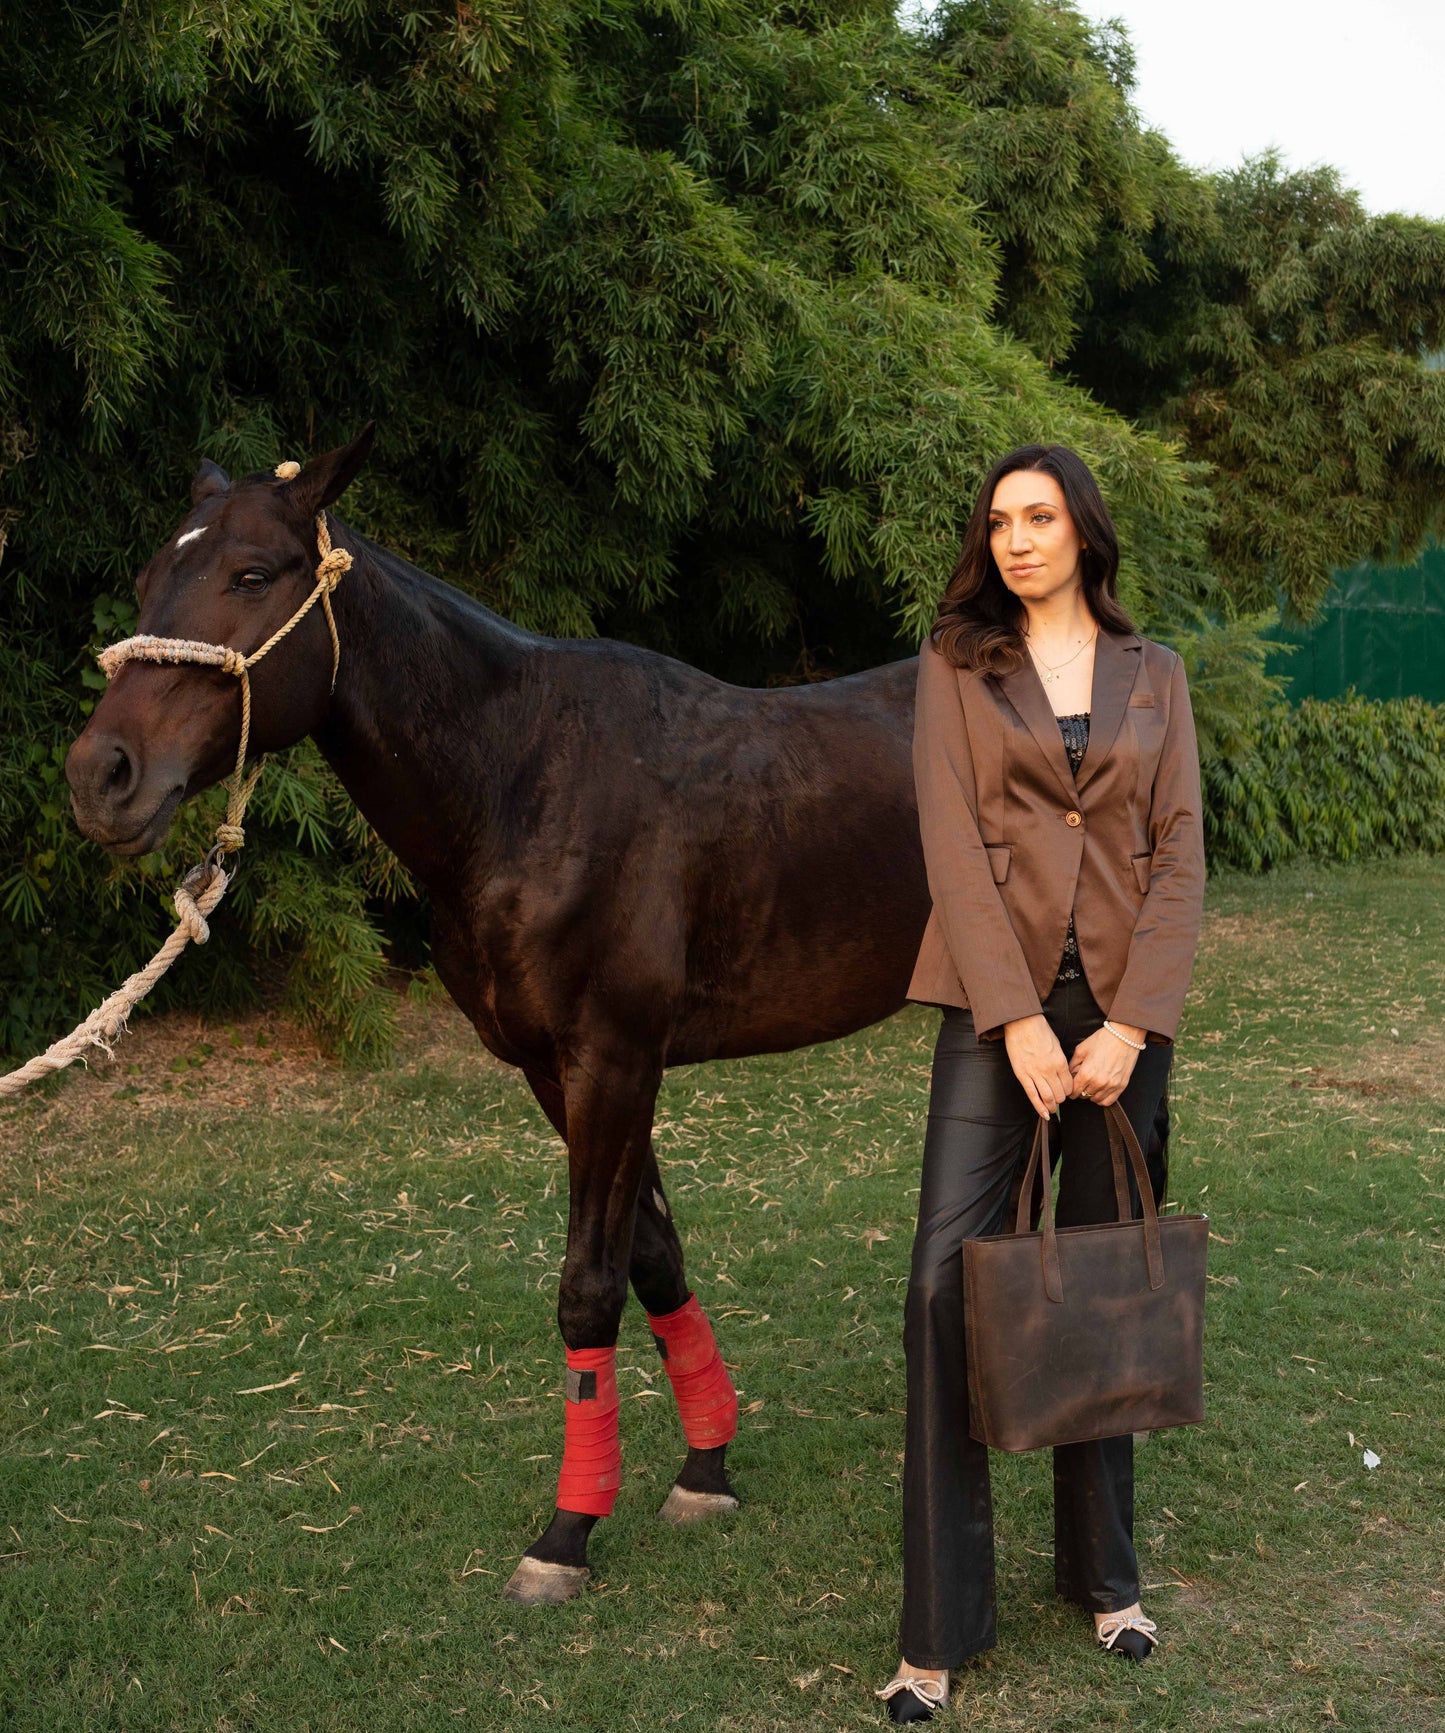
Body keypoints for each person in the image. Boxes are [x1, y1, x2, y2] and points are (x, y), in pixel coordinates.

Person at [876, 444, 1205, 1723]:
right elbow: (947, 838)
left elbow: (1178, 857)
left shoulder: (1156, 675)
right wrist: (1009, 1013)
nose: (1015, 538)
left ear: (1082, 530)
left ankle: (1104, 1577)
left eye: (1039, 516)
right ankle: (936, 1626)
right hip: (987, 1006)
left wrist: (1129, 1022)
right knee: (940, 1289)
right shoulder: (957, 666)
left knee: (1101, 1278)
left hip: (1125, 1022)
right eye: (998, 521)